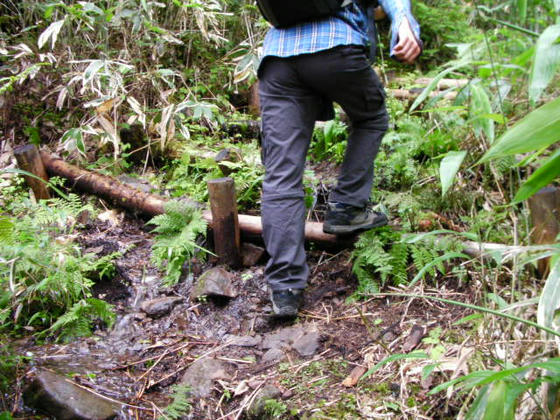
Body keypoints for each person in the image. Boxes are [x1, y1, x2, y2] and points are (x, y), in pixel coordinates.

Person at [258, 0, 422, 317]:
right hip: (335, 46)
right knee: (371, 117)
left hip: (277, 57)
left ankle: (285, 289)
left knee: (281, 174)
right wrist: (403, 22)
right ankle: (347, 207)